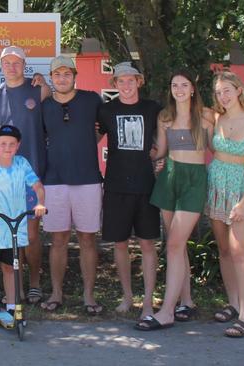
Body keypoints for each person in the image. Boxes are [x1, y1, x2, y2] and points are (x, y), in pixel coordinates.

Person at [135, 70, 214, 330]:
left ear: (193, 88)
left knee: (175, 244)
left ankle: (167, 311)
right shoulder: (165, 117)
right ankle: (186, 300)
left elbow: (218, 148)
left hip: (194, 180)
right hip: (169, 178)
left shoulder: (206, 115)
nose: (178, 89)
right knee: (175, 244)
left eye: (184, 84)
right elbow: (162, 153)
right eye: (174, 85)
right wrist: (145, 153)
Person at [205, 71, 244, 338]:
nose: (223, 96)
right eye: (219, 92)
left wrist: (243, 203)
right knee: (223, 249)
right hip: (217, 189)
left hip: (242, 192)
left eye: (227, 90)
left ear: (239, 90)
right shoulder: (216, 118)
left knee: (239, 252)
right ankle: (232, 303)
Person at [40, 56, 104, 314]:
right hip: (54, 181)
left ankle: (89, 296)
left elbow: (103, 129)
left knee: (88, 238)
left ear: (75, 75)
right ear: (52, 78)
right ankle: (57, 293)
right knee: (58, 239)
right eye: (57, 74)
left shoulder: (91, 100)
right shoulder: (44, 106)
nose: (62, 78)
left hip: (87, 179)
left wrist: (87, 142)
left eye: (67, 74)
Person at [97, 61, 161, 319]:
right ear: (114, 84)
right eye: (120, 81)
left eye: (130, 80)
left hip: (146, 186)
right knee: (120, 243)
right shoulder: (105, 111)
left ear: (139, 81)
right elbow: (89, 137)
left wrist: (161, 154)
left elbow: (165, 139)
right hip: (116, 186)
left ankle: (147, 300)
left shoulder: (153, 108)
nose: (125, 85)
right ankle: (127, 296)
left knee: (147, 243)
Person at [0, 125, 46, 328]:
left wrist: (39, 202)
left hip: (14, 225)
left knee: (10, 268)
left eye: (12, 144)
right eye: (3, 143)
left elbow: (37, 185)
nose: (7, 147)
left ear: (18, 146)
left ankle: (12, 306)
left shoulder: (22, 163)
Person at [0, 45, 51, 304]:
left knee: (31, 234)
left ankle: (35, 282)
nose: (12, 67)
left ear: (24, 65)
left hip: (32, 175)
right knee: (4, 233)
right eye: (7, 63)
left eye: (17, 62)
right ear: (1, 65)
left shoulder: (40, 89)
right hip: (3, 178)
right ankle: (5, 284)